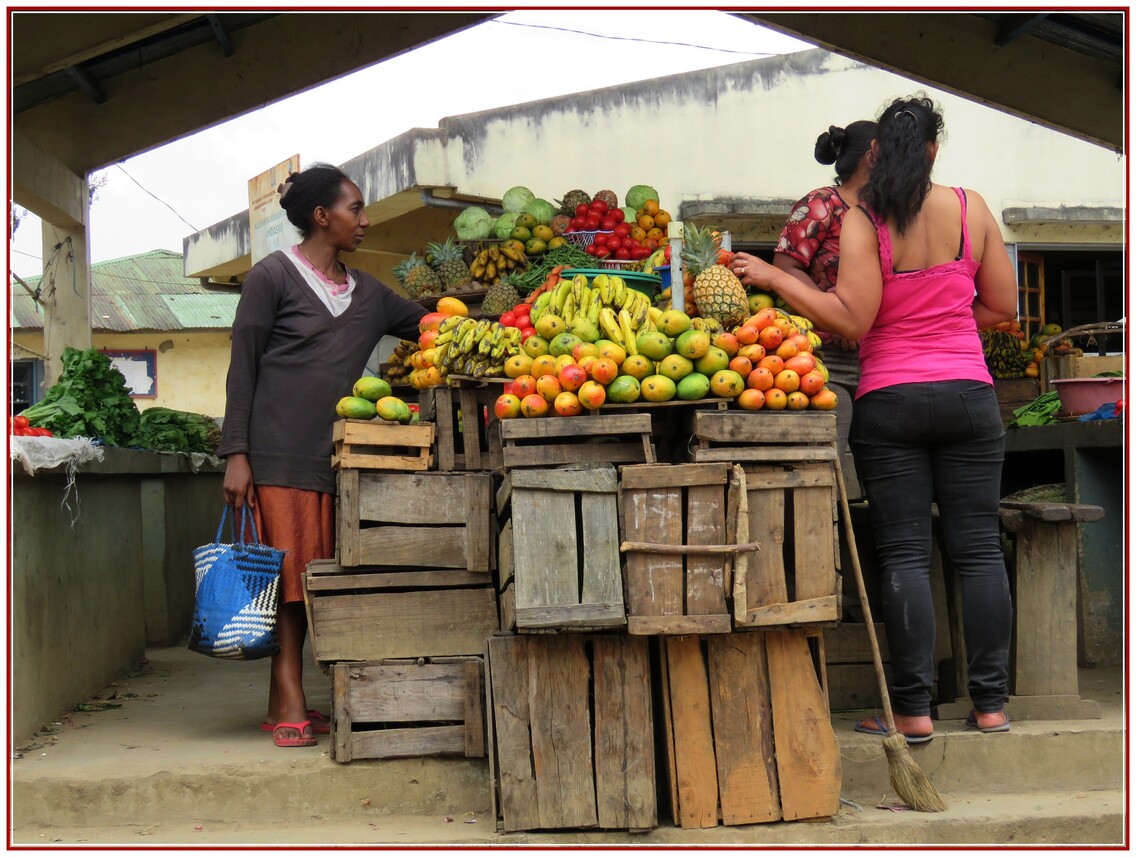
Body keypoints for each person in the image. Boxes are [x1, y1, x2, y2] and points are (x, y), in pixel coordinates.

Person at [733, 94, 1018, 742]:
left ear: (878, 155)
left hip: (889, 400)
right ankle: (991, 704)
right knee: (979, 552)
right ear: (934, 150)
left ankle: (913, 712)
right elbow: (1003, 306)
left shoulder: (866, 219)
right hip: (969, 397)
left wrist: (782, 284)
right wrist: (942, 324)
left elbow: (851, 320)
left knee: (906, 556)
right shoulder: (973, 209)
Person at [217, 163, 426, 748]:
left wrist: (524, 314)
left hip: (336, 460)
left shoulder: (370, 295)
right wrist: (236, 452)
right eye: (354, 209)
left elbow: (430, 324)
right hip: (276, 453)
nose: (364, 220)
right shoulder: (272, 277)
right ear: (320, 216)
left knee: (313, 581)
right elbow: (243, 369)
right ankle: (289, 691)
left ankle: (282, 694)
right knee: (285, 582)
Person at [732, 119, 875, 454]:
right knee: (830, 458)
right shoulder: (822, 203)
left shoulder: (885, 212)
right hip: (825, 355)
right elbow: (786, 266)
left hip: (880, 353)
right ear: (873, 155)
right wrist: (835, 313)